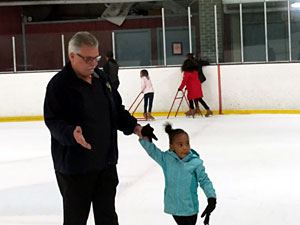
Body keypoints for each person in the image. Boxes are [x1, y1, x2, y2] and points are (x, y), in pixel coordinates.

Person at [43, 31, 142, 225]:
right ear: (72, 56)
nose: (93, 63)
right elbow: (53, 120)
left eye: (95, 58)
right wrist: (71, 133)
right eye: (87, 59)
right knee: (75, 220)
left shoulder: (102, 78)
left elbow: (116, 110)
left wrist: (135, 127)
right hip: (75, 168)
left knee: (108, 218)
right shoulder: (59, 85)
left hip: (105, 164)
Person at [138, 122, 217, 225]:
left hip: (190, 209)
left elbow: (204, 181)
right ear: (172, 146)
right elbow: (153, 152)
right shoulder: (166, 160)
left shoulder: (195, 162)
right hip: (174, 208)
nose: (185, 147)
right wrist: (145, 138)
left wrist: (211, 198)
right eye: (180, 144)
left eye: (187, 143)